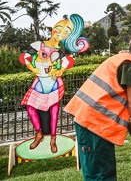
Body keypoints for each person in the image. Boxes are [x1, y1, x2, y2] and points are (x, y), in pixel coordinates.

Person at [64, 27, 131, 180]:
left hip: (91, 120)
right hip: (93, 123)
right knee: (100, 173)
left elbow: (111, 98)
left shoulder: (121, 59)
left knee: (100, 169)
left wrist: (128, 125)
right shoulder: (130, 64)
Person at [19, 14, 89, 153]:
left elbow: (67, 62)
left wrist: (60, 71)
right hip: (39, 83)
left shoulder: (59, 52)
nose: (61, 33)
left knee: (54, 113)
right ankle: (38, 134)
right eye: (59, 28)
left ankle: (53, 139)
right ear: (52, 29)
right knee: (30, 107)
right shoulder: (39, 45)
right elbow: (25, 56)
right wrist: (32, 67)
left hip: (53, 85)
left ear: (67, 37)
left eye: (66, 32)